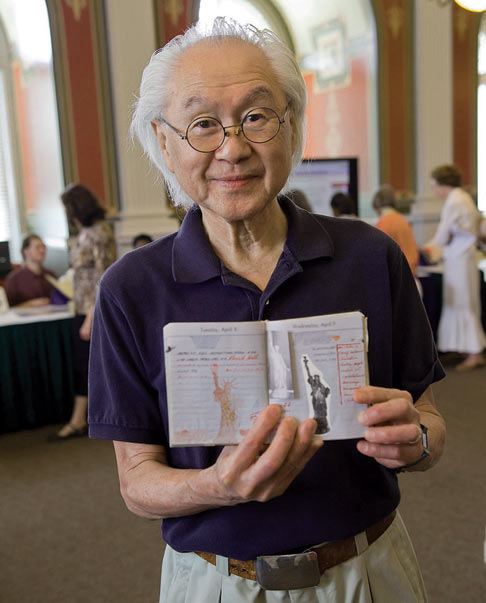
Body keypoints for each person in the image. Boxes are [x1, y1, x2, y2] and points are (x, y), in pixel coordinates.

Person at [88, 18, 446, 601]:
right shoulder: (131, 288)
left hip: (368, 572)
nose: (233, 148)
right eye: (203, 124)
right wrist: (219, 484)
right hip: (217, 583)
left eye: (257, 117)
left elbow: (429, 418)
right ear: (163, 140)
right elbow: (137, 483)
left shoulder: (369, 257)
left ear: (292, 126)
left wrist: (418, 441)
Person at [47, 184, 116, 441]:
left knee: (87, 367)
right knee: (81, 366)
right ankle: (81, 420)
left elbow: (104, 276)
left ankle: (79, 421)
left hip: (92, 311)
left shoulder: (99, 232)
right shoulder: (84, 232)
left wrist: (90, 318)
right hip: (80, 307)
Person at [428, 164, 486, 371]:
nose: (434, 191)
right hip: (464, 258)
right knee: (465, 303)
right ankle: (465, 347)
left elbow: (443, 234)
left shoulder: (454, 200)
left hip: (460, 259)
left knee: (463, 304)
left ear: (442, 185)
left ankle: (474, 352)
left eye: (434, 185)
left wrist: (430, 248)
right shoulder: (464, 197)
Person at [372, 185, 420, 276]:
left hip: (398, 277)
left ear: (377, 205)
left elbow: (379, 256)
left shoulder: (383, 223)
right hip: (411, 274)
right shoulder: (402, 220)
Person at [4, 234, 55, 308]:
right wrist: (30, 304)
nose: (42, 250)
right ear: (26, 251)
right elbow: (6, 309)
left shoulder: (51, 275)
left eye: (43, 247)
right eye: (37, 247)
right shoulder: (13, 279)